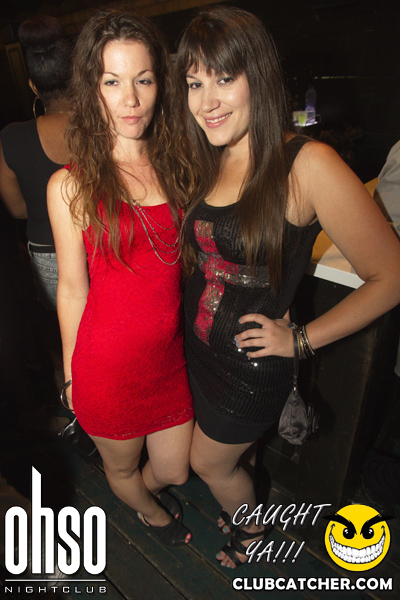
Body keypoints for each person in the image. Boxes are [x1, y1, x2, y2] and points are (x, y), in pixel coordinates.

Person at [176, 6, 400, 568]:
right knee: (235, 461)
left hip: (250, 371)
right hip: (201, 354)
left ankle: (254, 537)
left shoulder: (307, 163)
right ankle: (246, 505)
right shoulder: (214, 154)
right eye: (195, 83)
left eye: (224, 78)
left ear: (258, 75)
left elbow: (391, 276)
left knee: (207, 464)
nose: (206, 101)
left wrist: (300, 339)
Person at [47, 10, 194, 546]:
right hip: (105, 370)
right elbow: (72, 289)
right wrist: (71, 376)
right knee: (123, 468)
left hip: (169, 361)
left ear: (161, 84)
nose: (130, 100)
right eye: (112, 82)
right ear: (92, 89)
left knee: (175, 469)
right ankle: (150, 514)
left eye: (144, 80)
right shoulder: (70, 186)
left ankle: (147, 495)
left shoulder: (180, 165)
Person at [0, 15, 71, 311]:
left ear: (33, 85)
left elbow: (17, 209)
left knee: (62, 330)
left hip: (47, 252)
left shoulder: (11, 138)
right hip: (100, 244)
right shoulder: (105, 128)